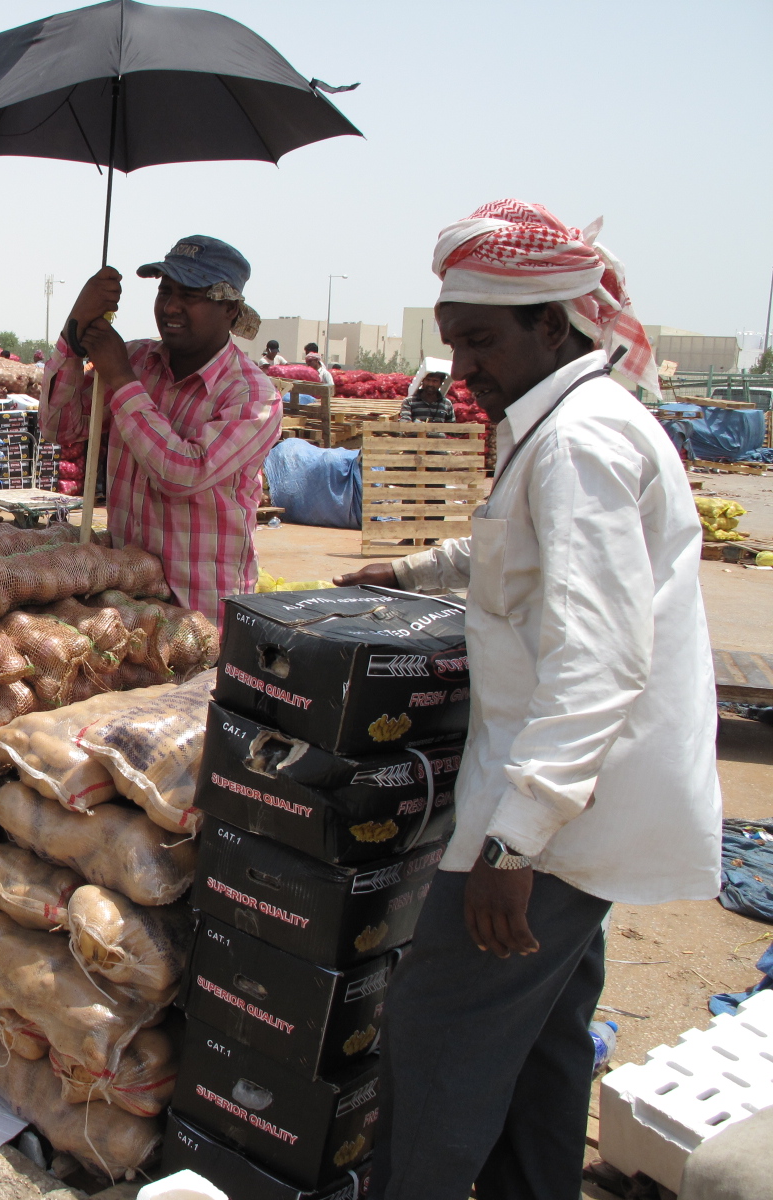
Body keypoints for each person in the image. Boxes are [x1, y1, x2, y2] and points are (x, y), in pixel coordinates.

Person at [335, 200, 718, 1200]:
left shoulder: (579, 442)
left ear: (553, 324)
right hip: (575, 809)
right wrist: (410, 572)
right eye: (452, 342)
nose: (461, 368)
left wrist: (516, 842)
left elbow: (597, 658)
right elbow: (516, 558)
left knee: (435, 1038)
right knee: (546, 1037)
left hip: (556, 817)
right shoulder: (561, 428)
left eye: (480, 341)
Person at [42, 235, 281, 619]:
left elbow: (182, 474)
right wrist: (74, 332)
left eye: (190, 295)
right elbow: (59, 426)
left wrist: (121, 379)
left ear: (229, 308)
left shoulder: (253, 395)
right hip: (126, 604)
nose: (171, 306)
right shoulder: (137, 359)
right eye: (165, 291)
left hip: (198, 613)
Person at [398, 358, 455, 422]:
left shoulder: (446, 404)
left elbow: (451, 426)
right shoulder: (409, 402)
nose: (430, 384)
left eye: (435, 381)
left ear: (441, 383)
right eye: (428, 380)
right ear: (422, 380)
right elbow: (405, 423)